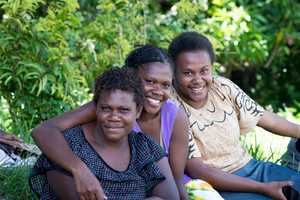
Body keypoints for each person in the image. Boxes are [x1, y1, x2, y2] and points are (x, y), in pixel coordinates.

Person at [30, 45, 223, 200]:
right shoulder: (105, 105)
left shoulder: (168, 120)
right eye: (149, 81)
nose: (157, 91)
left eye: (165, 85)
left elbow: (175, 181)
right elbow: (44, 130)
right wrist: (80, 169)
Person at [167, 31, 300, 200]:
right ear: (173, 72)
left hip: (255, 169)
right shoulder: (172, 107)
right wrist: (263, 188)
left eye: (204, 70)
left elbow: (262, 116)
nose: (198, 79)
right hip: (220, 185)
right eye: (188, 73)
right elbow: (198, 170)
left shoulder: (222, 87)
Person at [28, 66, 179, 200]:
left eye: (124, 110)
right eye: (106, 108)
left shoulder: (145, 147)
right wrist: (81, 170)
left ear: (138, 111)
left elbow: (170, 197)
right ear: (96, 109)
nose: (114, 117)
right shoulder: (69, 145)